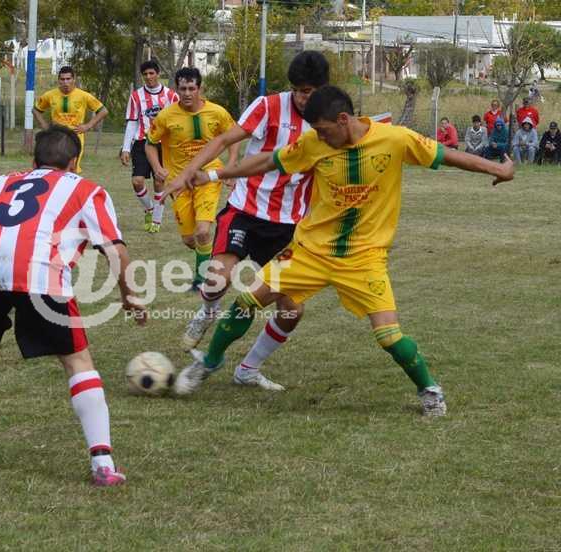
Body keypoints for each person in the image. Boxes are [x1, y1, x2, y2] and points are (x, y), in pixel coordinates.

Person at [175, 85, 514, 418]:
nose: (319, 137)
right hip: (309, 252)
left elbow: (447, 156)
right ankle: (210, 362)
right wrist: (214, 174)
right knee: (248, 300)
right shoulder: (313, 142)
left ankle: (430, 390)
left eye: (323, 131)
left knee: (389, 336)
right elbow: (267, 162)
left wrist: (498, 168)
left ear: (342, 120)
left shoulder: (395, 139)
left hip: (364, 258)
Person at [0, 125, 147, 486]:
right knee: (77, 360)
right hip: (39, 272)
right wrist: (130, 296)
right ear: (74, 162)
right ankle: (102, 462)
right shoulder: (86, 189)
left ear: (33, 159)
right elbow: (114, 250)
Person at [163, 51, 330, 391]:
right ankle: (209, 311)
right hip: (246, 210)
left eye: (310, 92)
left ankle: (248, 368)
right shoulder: (267, 106)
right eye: (298, 91)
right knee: (217, 278)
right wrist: (190, 172)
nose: (303, 98)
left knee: (291, 310)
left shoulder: (329, 120)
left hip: (288, 227)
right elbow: (224, 139)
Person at [145, 67, 239, 292]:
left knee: (203, 231)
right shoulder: (166, 116)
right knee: (190, 239)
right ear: (176, 89)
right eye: (182, 89)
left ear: (200, 88)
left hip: (208, 177)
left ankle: (201, 281)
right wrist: (157, 168)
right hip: (179, 181)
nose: (187, 93)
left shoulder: (217, 112)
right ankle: (212, 255)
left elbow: (234, 136)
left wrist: (231, 164)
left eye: (191, 88)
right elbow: (150, 144)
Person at [120, 60, 179, 233]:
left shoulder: (171, 96)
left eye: (151, 73)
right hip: (142, 142)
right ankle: (149, 208)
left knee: (159, 181)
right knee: (137, 181)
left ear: (158, 74)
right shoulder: (136, 96)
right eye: (145, 74)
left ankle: (157, 220)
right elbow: (132, 122)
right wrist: (126, 148)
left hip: (163, 144)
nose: (148, 77)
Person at [33, 66, 109, 173]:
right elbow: (36, 110)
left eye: (68, 79)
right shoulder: (50, 95)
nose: (65, 82)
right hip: (56, 137)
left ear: (74, 79)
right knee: (53, 167)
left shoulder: (84, 96)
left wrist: (87, 126)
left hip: (75, 137)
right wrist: (44, 125)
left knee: (72, 168)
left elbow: (103, 111)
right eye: (62, 79)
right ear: (59, 80)